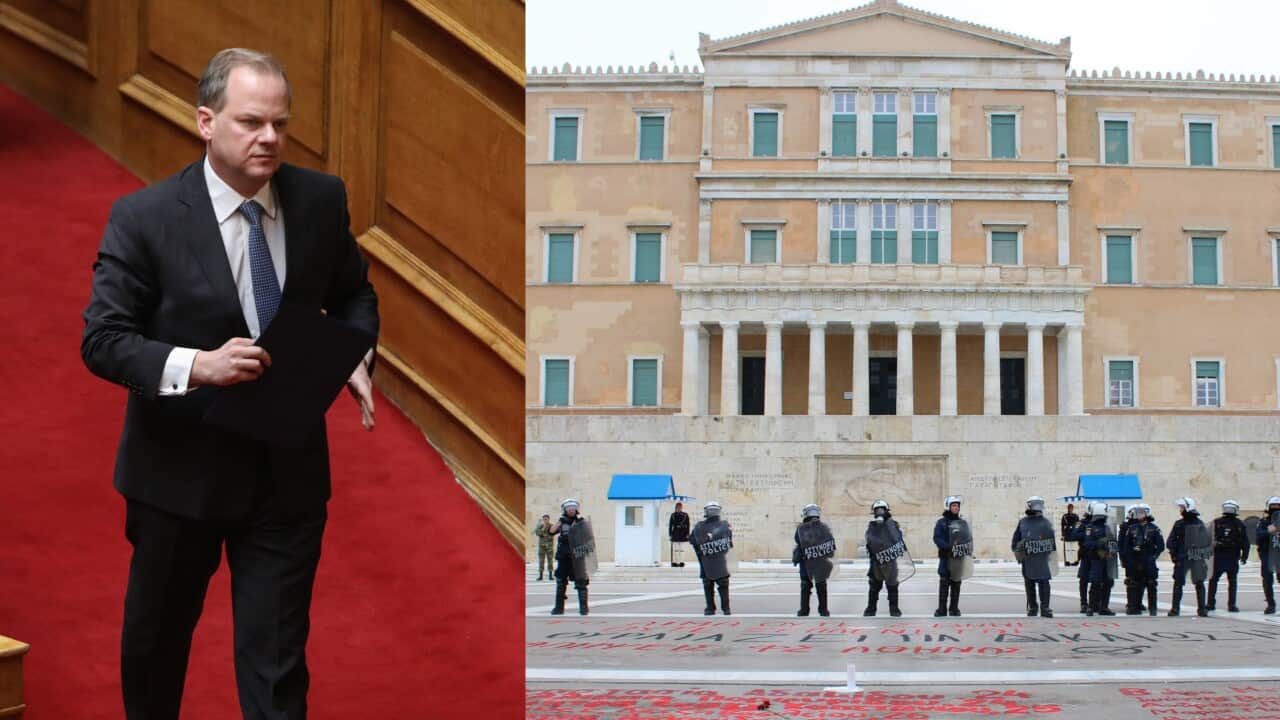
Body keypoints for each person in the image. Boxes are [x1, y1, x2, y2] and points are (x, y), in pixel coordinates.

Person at [80, 48, 379, 720]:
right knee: (156, 654)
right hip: (177, 479)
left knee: (277, 674)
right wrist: (196, 365)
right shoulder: (145, 219)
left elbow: (355, 293)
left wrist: (353, 354)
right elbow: (103, 341)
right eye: (251, 122)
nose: (269, 137)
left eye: (280, 123)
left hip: (286, 478)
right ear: (206, 122)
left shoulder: (320, 200)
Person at [1166, 497, 1212, 617]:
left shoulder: (1199, 524)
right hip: (1182, 557)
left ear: (1188, 508)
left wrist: (1201, 553)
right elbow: (1171, 541)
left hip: (1196, 558)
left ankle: (1202, 608)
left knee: (1199, 582)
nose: (1180, 510)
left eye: (1182, 507)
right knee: (1178, 583)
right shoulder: (1179, 524)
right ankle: (1175, 608)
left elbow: (1207, 541)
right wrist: (1174, 554)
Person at [864, 500, 910, 617]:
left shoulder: (893, 524)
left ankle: (894, 609)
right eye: (877, 510)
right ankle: (871, 609)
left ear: (886, 511)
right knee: (874, 586)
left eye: (882, 510)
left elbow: (897, 539)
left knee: (892, 585)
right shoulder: (872, 525)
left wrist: (888, 523)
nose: (879, 512)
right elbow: (870, 539)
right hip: (876, 562)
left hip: (890, 561)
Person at [1012, 496, 1056, 617]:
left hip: (1041, 558)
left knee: (1044, 583)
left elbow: (1051, 541)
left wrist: (1048, 552)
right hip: (1028, 558)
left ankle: (1045, 607)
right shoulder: (1023, 522)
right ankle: (1033, 607)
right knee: (1029, 583)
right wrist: (1018, 550)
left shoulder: (1046, 522)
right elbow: (1015, 540)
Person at [1120, 504, 1164, 616]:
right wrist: (1129, 560)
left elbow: (1160, 545)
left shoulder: (1154, 529)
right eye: (1137, 512)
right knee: (1134, 584)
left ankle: (1153, 608)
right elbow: (1126, 546)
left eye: (1141, 512)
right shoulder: (1132, 528)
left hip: (1148, 560)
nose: (1139, 515)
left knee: (1151, 584)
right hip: (1135, 560)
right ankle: (1134, 607)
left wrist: (1153, 556)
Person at [549, 499, 591, 615]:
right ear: (565, 510)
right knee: (561, 581)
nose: (571, 510)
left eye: (573, 508)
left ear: (576, 509)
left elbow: (588, 537)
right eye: (568, 508)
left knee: (581, 581)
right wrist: (560, 522)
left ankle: (583, 608)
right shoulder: (562, 522)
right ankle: (558, 608)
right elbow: (551, 531)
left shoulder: (580, 521)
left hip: (577, 555)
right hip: (564, 555)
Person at [933, 496, 973, 617]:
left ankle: (954, 608)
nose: (956, 508)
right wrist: (947, 546)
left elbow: (968, 538)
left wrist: (967, 549)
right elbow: (937, 537)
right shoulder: (941, 522)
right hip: (946, 557)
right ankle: (942, 609)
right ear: (948, 507)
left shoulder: (963, 523)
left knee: (956, 583)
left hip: (958, 558)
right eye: (954, 506)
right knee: (944, 582)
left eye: (957, 506)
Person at [794, 504, 837, 617]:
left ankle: (805, 610)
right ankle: (822, 610)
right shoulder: (820, 527)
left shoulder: (803, 528)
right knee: (819, 586)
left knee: (807, 586)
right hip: (814, 561)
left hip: (810, 562)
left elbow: (829, 543)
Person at [692, 501, 734, 615]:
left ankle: (710, 609)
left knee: (708, 586)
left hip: (707, 561)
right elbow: (730, 544)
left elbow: (693, 541)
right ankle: (726, 609)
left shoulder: (699, 526)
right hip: (721, 561)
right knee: (723, 586)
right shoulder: (725, 525)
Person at [1207, 500, 1249, 612]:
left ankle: (1214, 603)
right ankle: (1228, 604)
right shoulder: (1236, 524)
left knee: (1220, 581)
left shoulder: (1237, 524)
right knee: (1228, 582)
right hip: (1224, 556)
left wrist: (1244, 555)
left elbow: (1245, 542)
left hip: (1227, 556)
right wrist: (1244, 556)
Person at [1080, 501, 1117, 616]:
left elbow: (1113, 542)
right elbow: (1087, 543)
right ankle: (1091, 607)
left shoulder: (1108, 528)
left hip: (1108, 560)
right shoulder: (1090, 528)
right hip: (1096, 559)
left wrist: (1112, 547)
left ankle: (1104, 607)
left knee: (1108, 582)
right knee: (1095, 582)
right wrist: (1100, 544)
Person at [1117, 506, 1144, 614]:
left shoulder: (1141, 526)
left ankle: (1138, 602)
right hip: (1129, 558)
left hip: (1140, 558)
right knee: (1131, 581)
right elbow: (1121, 543)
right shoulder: (1126, 526)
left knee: (1141, 580)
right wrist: (1123, 558)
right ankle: (1131, 602)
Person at [1258, 496, 1280, 615]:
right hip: (1267, 554)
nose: (1275, 509)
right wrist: (1268, 531)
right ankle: (1271, 604)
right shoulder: (1264, 522)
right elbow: (1258, 536)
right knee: (1267, 579)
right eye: (1273, 507)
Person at [669, 502, 691, 568]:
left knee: (682, 549)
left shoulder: (685, 515)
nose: (679, 508)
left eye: (680, 507)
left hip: (683, 533)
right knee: (676, 549)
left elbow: (688, 525)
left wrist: (687, 533)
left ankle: (681, 562)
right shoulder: (673, 515)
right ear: (676, 507)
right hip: (675, 532)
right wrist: (670, 534)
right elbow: (670, 525)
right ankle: (675, 562)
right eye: (678, 507)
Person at [535, 514, 554, 581]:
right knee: (541, 560)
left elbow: (552, 534)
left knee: (550, 561)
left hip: (549, 546)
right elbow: (537, 533)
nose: (545, 520)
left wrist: (544, 534)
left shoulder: (552, 526)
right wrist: (542, 529)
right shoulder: (540, 526)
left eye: (546, 519)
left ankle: (550, 575)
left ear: (549, 519)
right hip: (541, 546)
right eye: (544, 519)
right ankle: (540, 575)